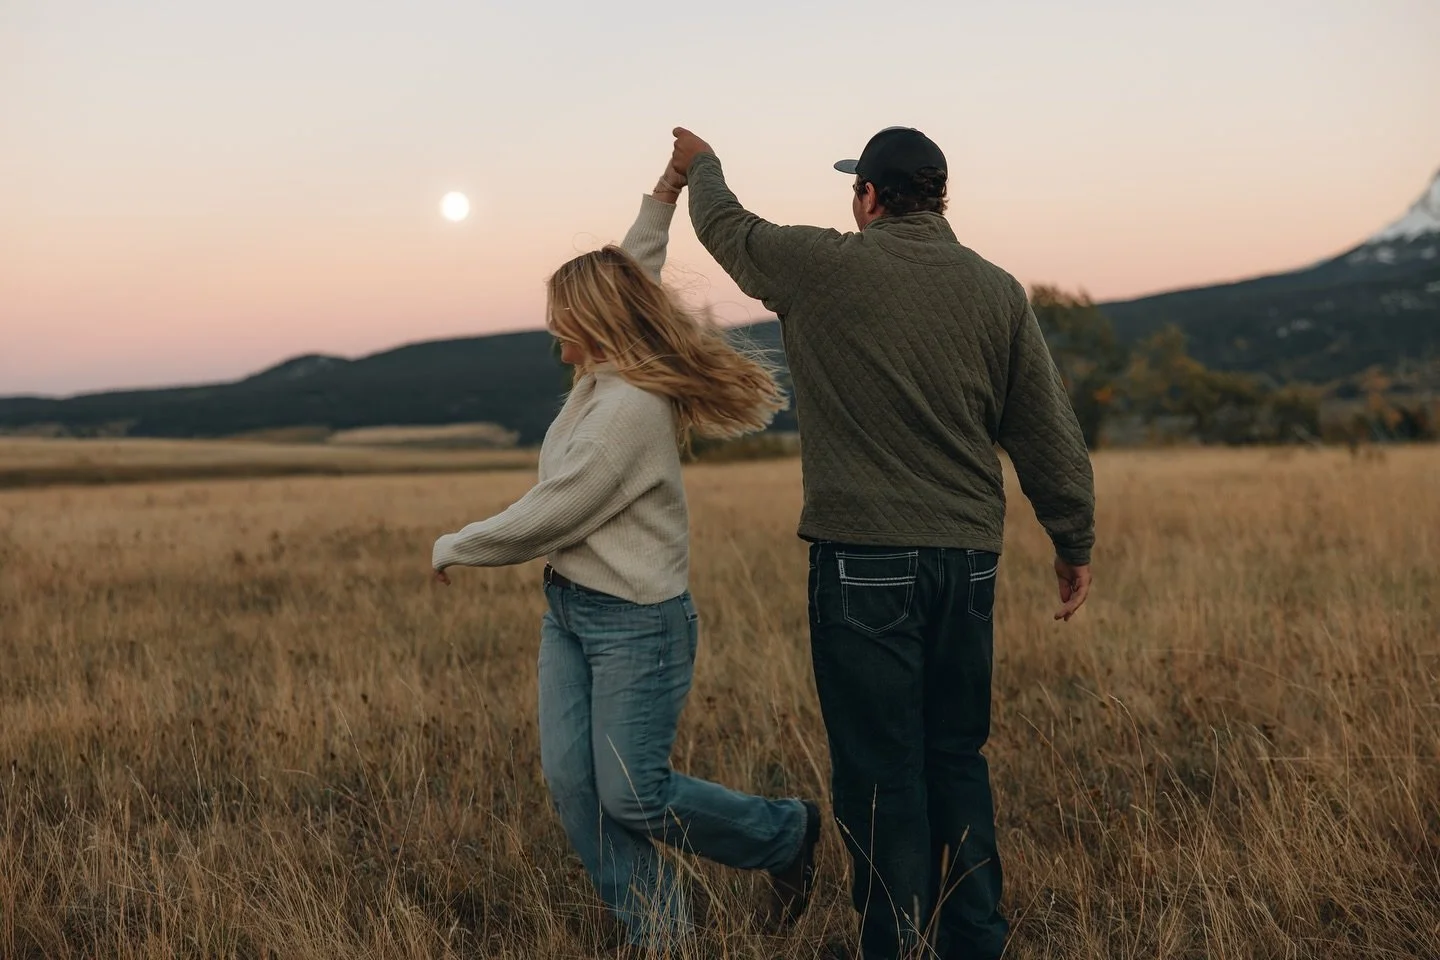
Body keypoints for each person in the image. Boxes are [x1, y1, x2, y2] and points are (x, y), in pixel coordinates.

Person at [666, 125, 1097, 960]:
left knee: (880, 771)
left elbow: (729, 229)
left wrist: (701, 167)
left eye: (853, 190)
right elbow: (1047, 431)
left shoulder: (824, 266)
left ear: (868, 196)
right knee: (956, 756)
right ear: (939, 198)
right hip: (968, 561)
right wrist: (1071, 537)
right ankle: (975, 941)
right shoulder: (997, 291)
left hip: (863, 560)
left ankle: (893, 944)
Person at [429, 163, 823, 955]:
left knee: (634, 795)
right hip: (571, 612)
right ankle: (663, 935)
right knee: (579, 790)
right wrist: (664, 193)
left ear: (595, 323)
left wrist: (456, 546)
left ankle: (784, 836)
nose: (553, 334)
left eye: (561, 318)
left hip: (636, 626)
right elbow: (633, 270)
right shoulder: (608, 370)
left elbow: (556, 511)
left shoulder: (627, 410)